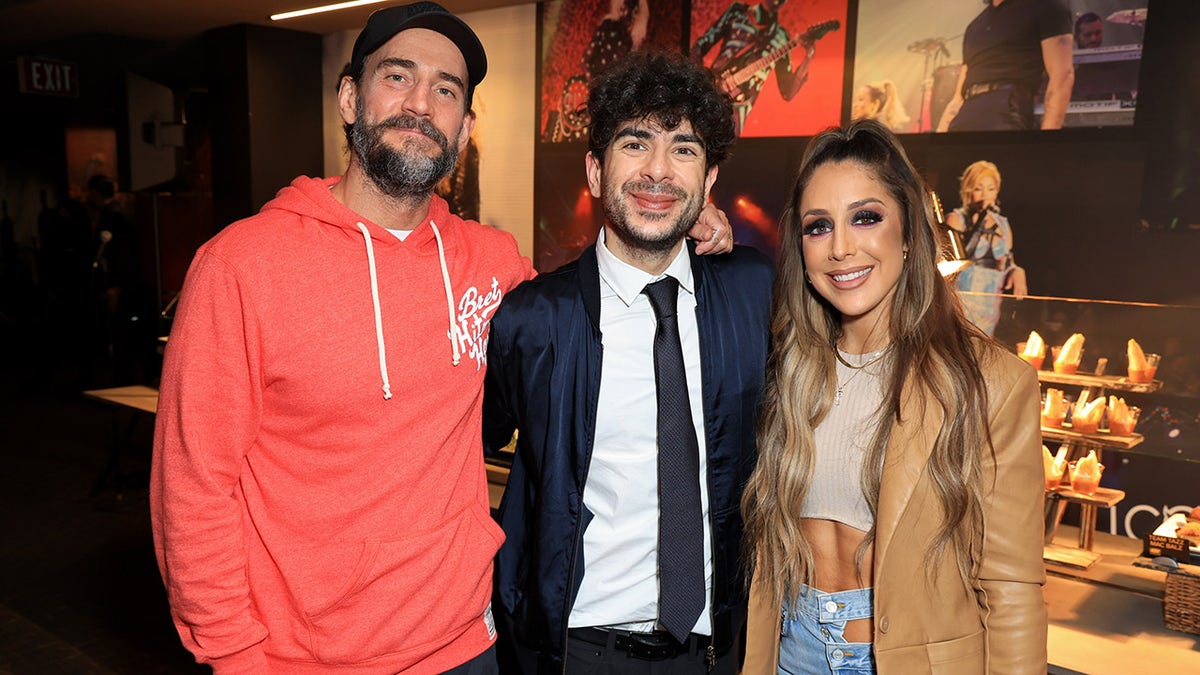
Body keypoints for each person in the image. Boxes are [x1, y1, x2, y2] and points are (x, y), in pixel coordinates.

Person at [150, 3, 734, 672]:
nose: (421, 103)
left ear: (466, 125)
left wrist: (674, 217)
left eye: (446, 90)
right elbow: (191, 492)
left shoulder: (491, 263)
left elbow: (588, 296)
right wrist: (235, 655)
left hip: (466, 647)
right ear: (350, 96)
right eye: (397, 77)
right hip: (299, 659)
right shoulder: (240, 266)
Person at [484, 50, 773, 673]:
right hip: (576, 649)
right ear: (594, 170)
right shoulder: (533, 320)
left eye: (684, 149)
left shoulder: (755, 293)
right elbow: (459, 452)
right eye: (635, 143)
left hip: (717, 649)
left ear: (710, 178)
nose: (659, 172)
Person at [741, 119, 1046, 673]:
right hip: (789, 649)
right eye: (818, 226)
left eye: (865, 217)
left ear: (908, 235)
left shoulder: (990, 383)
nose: (841, 247)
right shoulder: (783, 369)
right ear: (801, 253)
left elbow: (1012, 587)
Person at [691, 0, 837, 134]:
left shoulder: (781, 37)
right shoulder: (738, 11)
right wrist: (703, 84)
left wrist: (809, 55)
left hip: (735, 116)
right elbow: (699, 47)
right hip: (709, 96)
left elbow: (788, 92)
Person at [936, 0, 1074, 131]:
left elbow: (1062, 76)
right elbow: (959, 95)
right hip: (967, 109)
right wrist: (940, 136)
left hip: (1007, 106)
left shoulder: (1046, 6)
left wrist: (1046, 141)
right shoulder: (974, 27)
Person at [946, 160, 1027, 336]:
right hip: (963, 304)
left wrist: (1016, 271)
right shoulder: (957, 220)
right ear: (968, 190)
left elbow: (1007, 260)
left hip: (991, 305)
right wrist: (979, 220)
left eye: (990, 189)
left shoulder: (1003, 224)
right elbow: (948, 266)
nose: (985, 195)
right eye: (978, 188)